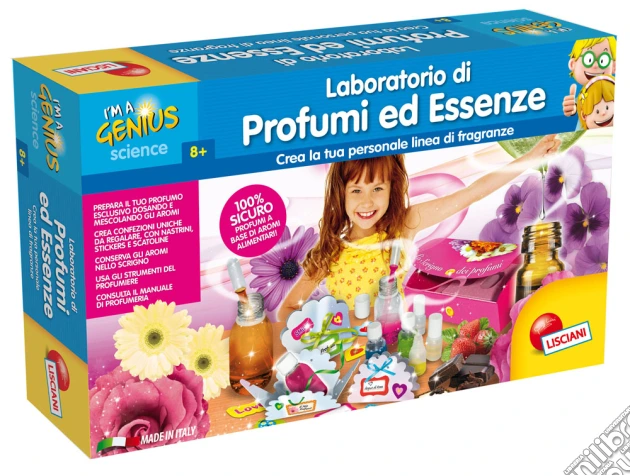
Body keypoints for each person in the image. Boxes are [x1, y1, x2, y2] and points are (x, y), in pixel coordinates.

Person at [277, 135, 560, 320]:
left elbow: (471, 193)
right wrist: (321, 329)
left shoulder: (402, 226)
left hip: (392, 347)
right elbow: (288, 309)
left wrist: (530, 158)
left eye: (377, 188)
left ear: (392, 189)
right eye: (356, 190)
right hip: (345, 354)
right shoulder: (330, 250)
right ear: (341, 194)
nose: (367, 202)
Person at [562, 37, 616, 122]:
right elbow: (579, 106)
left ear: (614, 66)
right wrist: (573, 109)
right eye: (589, 59)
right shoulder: (583, 97)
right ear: (572, 64)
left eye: (603, 60)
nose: (595, 65)